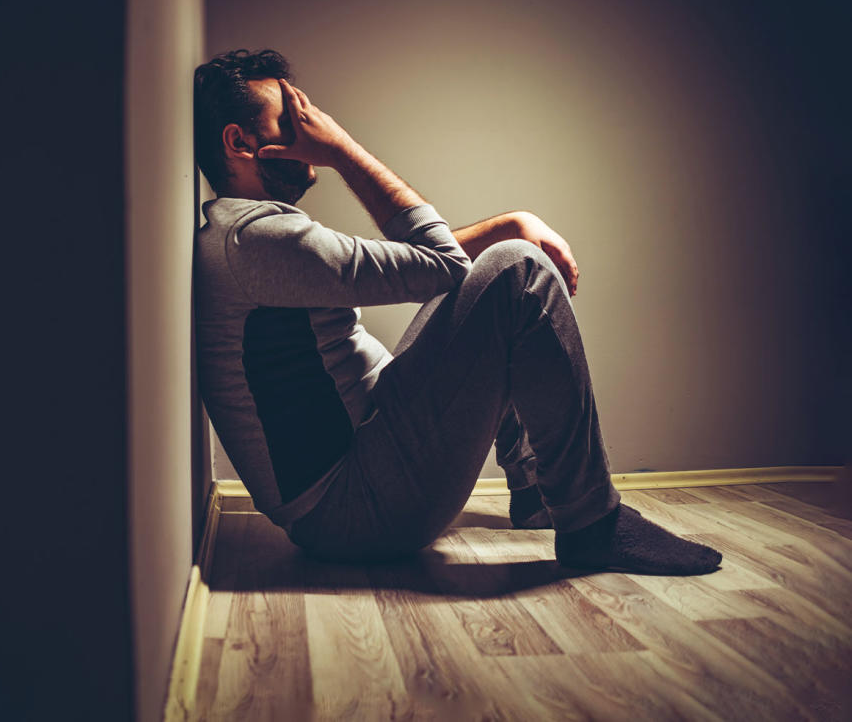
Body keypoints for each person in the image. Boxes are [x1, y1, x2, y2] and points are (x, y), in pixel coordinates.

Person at [193, 48, 721, 575]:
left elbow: (420, 268)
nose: (312, 125)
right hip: (349, 512)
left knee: (497, 280)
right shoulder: (259, 240)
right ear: (240, 142)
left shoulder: (250, 234)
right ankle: (593, 524)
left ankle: (537, 491)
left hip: (366, 462)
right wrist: (342, 149)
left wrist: (509, 222)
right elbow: (442, 264)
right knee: (517, 272)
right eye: (291, 118)